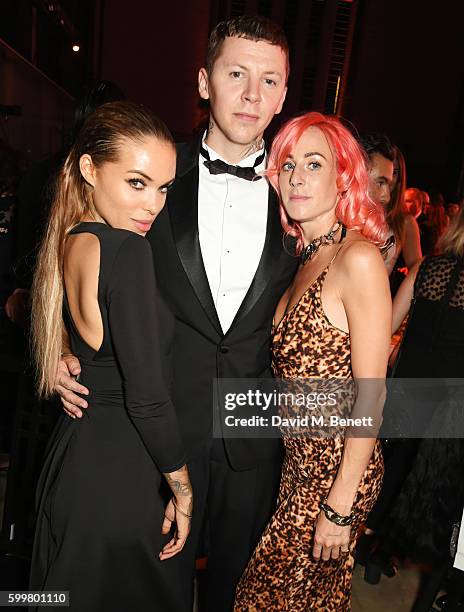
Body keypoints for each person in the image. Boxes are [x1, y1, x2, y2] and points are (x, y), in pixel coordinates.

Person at [53, 15, 297, 611]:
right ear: (204, 80)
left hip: (254, 432)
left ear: (285, 95)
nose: (251, 94)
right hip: (156, 432)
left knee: (238, 593)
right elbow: (84, 260)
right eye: (236, 73)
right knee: (149, 588)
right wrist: (63, 348)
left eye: (269, 80)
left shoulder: (302, 193)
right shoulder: (152, 174)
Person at [29, 101, 193, 612]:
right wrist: (182, 488)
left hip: (75, 459)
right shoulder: (127, 251)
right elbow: (146, 398)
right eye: (137, 183)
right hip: (121, 476)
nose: (153, 205)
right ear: (89, 169)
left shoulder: (70, 242)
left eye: (164, 187)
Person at [234, 112, 391, 611]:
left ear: (343, 176)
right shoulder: (305, 257)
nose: (297, 176)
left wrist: (340, 505)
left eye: (314, 163)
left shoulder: (357, 259)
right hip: (299, 469)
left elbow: (373, 394)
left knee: (260, 599)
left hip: (335, 473)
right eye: (287, 165)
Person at [374, 204, 464, 610]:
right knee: (443, 502)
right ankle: (429, 598)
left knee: (391, 474)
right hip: (451, 403)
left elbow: (388, 325)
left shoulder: (427, 267)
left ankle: (375, 556)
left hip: (409, 390)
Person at [360, 135, 422, 277]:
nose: (390, 177)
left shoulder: (404, 221)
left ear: (400, 177)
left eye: (394, 172)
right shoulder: (353, 209)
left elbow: (416, 273)